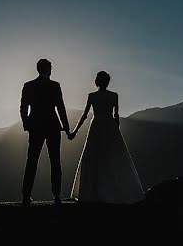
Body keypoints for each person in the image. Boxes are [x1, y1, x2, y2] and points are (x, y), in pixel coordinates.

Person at [67, 71, 144, 204]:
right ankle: (114, 190)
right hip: (110, 127)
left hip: (96, 126)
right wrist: (117, 131)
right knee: (112, 157)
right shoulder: (114, 96)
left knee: (94, 156)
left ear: (97, 82)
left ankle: (92, 191)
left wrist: (74, 131)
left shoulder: (92, 96)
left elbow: (85, 115)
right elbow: (116, 116)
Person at [20, 58, 71, 206]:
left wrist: (27, 124)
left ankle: (26, 195)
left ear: (38, 69)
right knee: (55, 160)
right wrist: (66, 127)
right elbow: (60, 107)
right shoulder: (55, 86)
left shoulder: (28, 85)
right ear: (48, 69)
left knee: (31, 161)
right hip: (53, 126)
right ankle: (56, 195)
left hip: (35, 126)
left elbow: (23, 107)